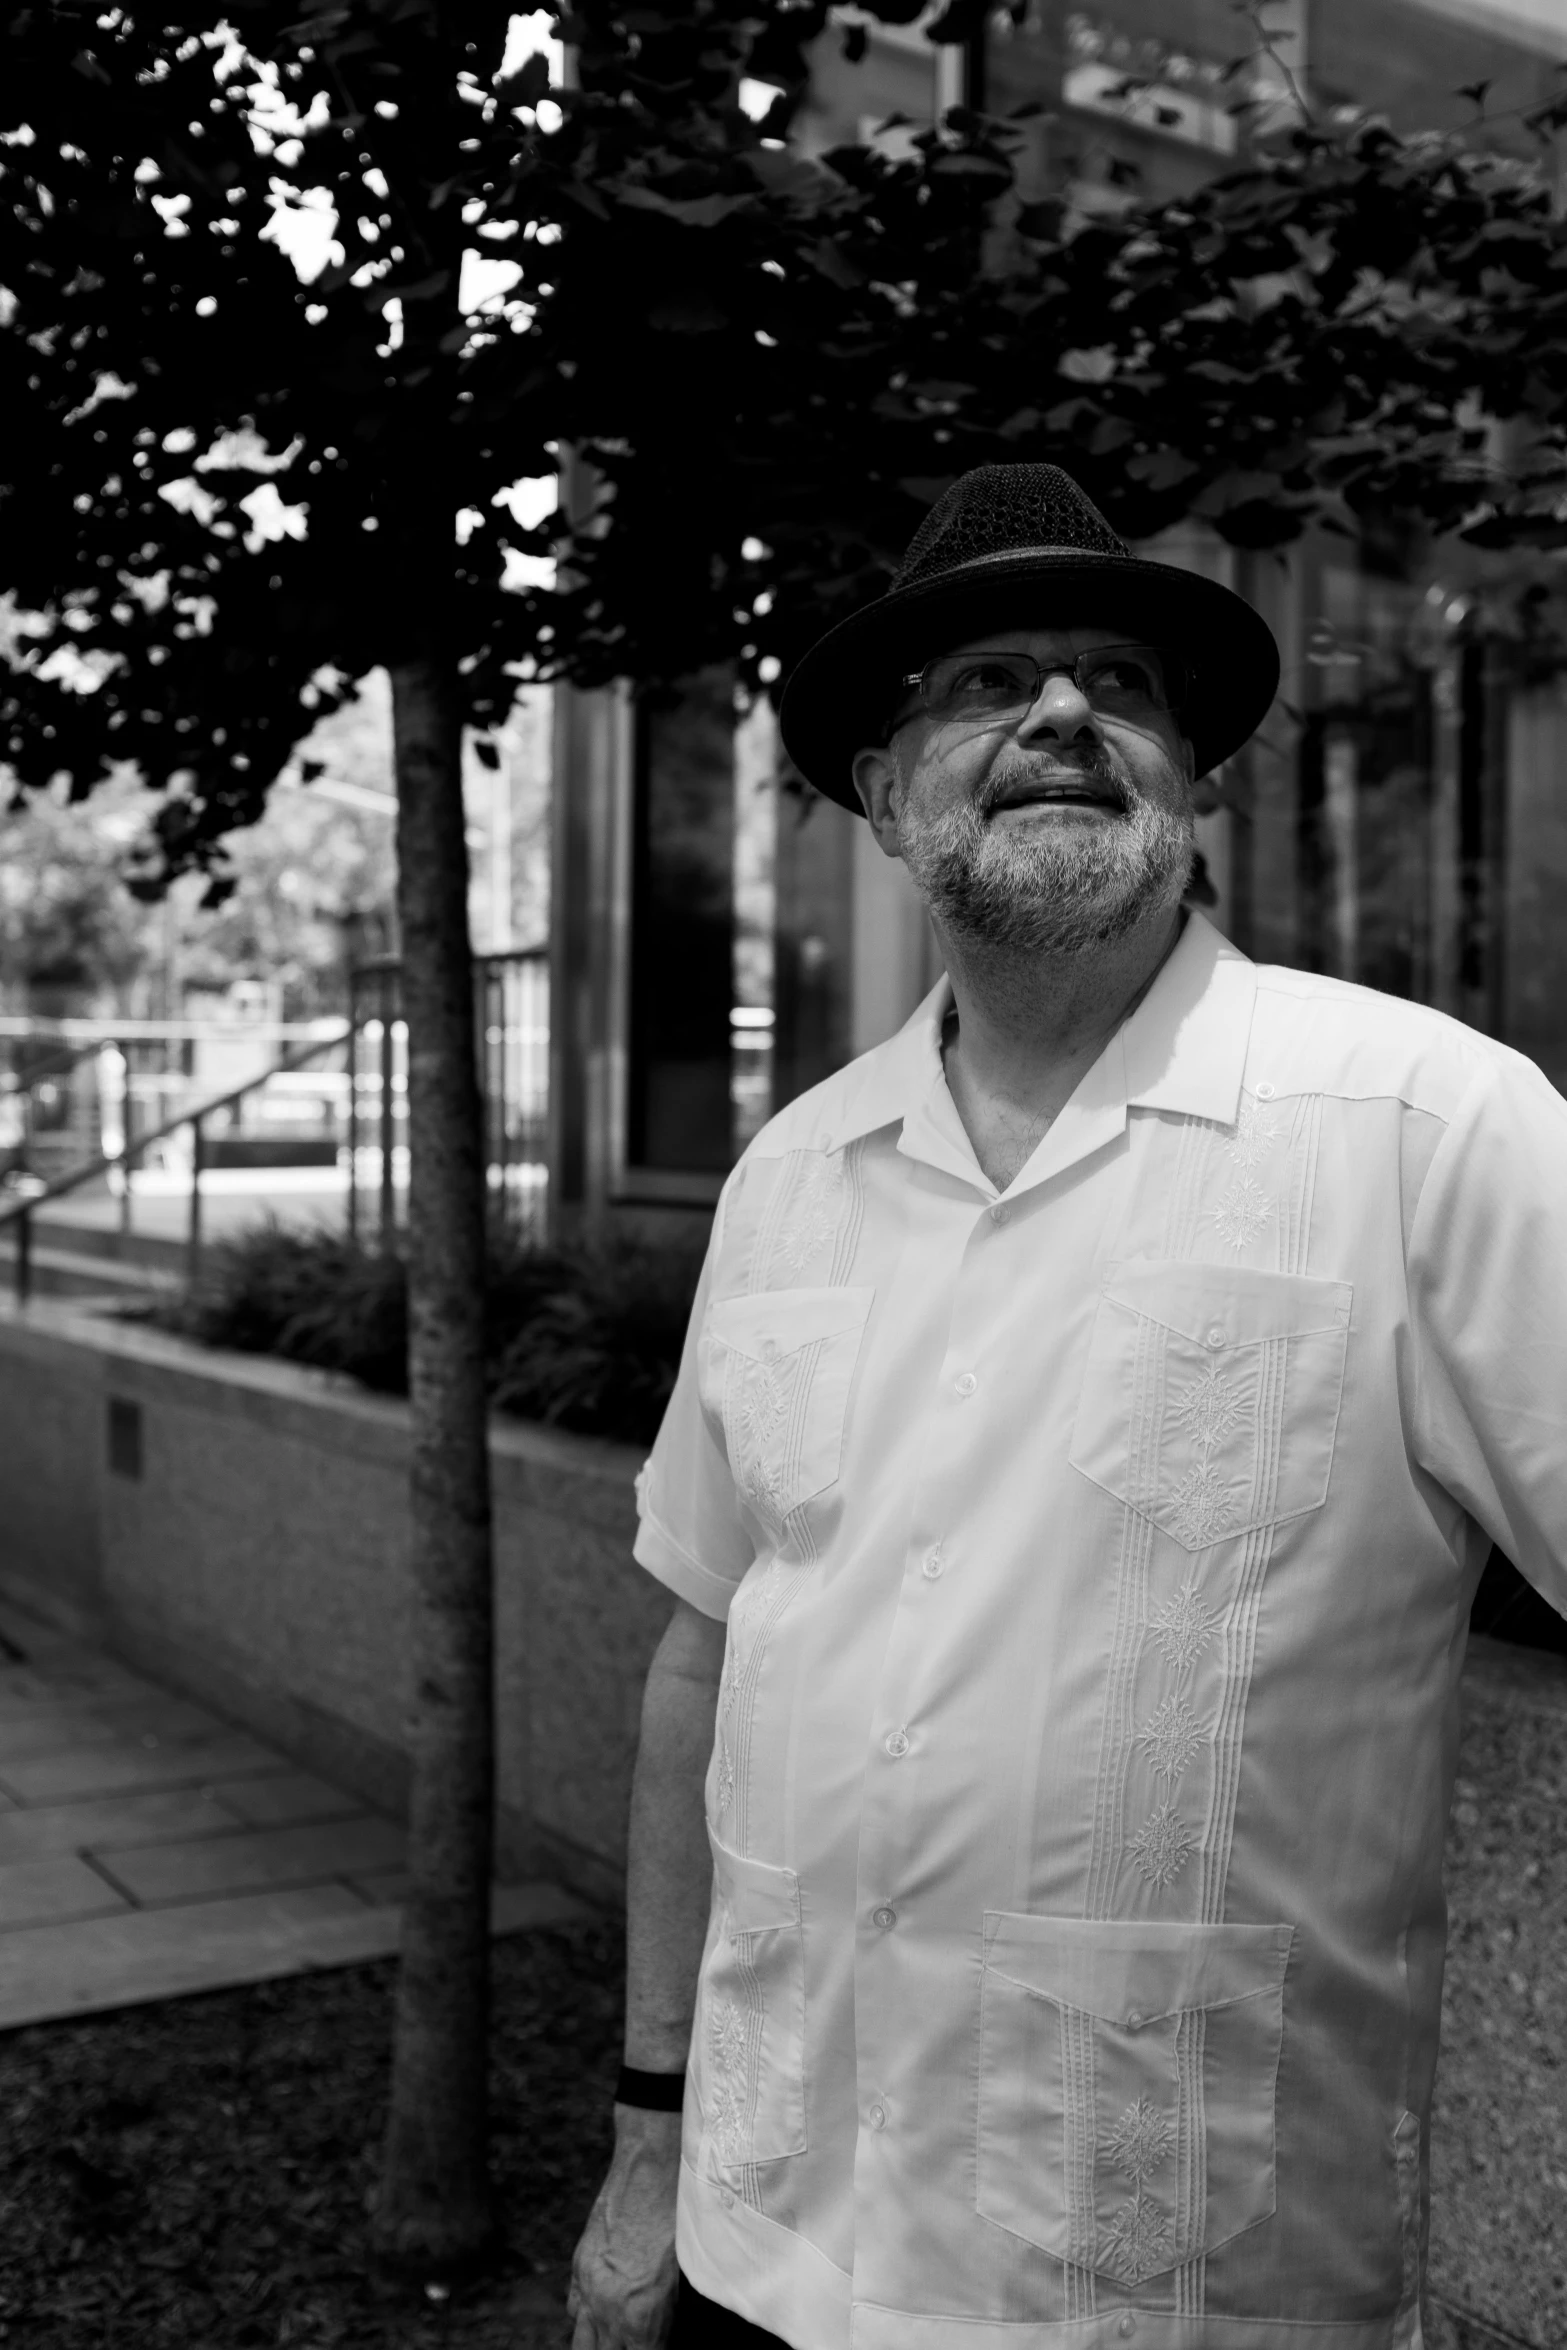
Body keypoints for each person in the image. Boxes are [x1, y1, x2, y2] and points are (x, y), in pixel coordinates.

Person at [566, 463, 1567, 2350]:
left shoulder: (1427, 1133)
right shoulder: (787, 1173)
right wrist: (644, 2128)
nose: (1054, 713)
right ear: (880, 794)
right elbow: (701, 1654)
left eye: (1115, 678)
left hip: (1169, 2294)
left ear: (1195, 781)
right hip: (760, 2245)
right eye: (982, 680)